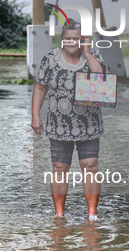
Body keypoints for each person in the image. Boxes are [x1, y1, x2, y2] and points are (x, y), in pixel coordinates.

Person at [31, 20, 107, 220]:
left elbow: (101, 79)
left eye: (76, 38)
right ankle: (59, 214)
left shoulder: (94, 57)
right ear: (62, 39)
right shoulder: (50, 59)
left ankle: (92, 214)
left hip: (89, 124)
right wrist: (36, 115)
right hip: (58, 124)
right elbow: (40, 87)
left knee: (90, 166)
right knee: (59, 168)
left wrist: (88, 53)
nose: (72, 42)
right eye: (68, 38)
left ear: (82, 39)